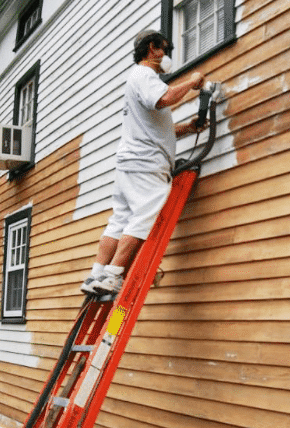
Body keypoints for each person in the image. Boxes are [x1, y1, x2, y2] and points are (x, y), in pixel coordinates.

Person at [80, 29, 207, 295]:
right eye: (165, 49)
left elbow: (155, 129)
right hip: (146, 165)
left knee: (120, 220)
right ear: (153, 49)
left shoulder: (136, 80)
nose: (167, 56)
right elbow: (166, 98)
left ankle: (96, 275)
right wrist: (193, 80)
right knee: (143, 218)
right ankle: (114, 275)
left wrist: (188, 128)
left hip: (130, 164)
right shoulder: (145, 74)